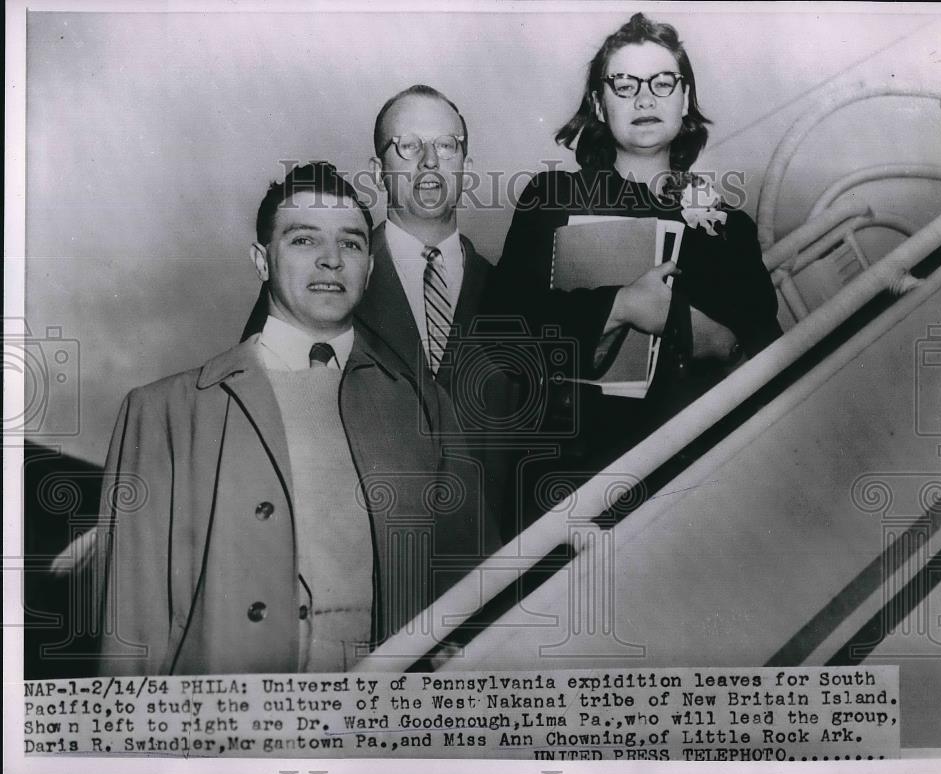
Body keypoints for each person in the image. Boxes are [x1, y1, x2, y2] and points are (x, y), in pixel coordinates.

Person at [95, 163, 486, 675]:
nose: (331, 260)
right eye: (304, 240)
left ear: (369, 268)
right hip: (224, 733)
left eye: (351, 244)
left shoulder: (425, 407)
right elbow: (130, 639)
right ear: (261, 260)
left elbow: (473, 593)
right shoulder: (164, 413)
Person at [487, 13, 782, 474]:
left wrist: (719, 344)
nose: (644, 97)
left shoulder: (729, 228)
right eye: (624, 84)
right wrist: (620, 306)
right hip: (575, 473)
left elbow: (769, 367)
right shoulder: (552, 199)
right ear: (600, 105)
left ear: (685, 99)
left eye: (663, 82)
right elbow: (500, 335)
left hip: (699, 474)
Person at [243, 86, 523, 541]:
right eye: (409, 146)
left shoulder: (513, 293)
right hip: (357, 571)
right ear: (378, 172)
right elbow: (258, 419)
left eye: (446, 145)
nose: (430, 162)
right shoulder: (317, 279)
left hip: (491, 578)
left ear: (467, 169)